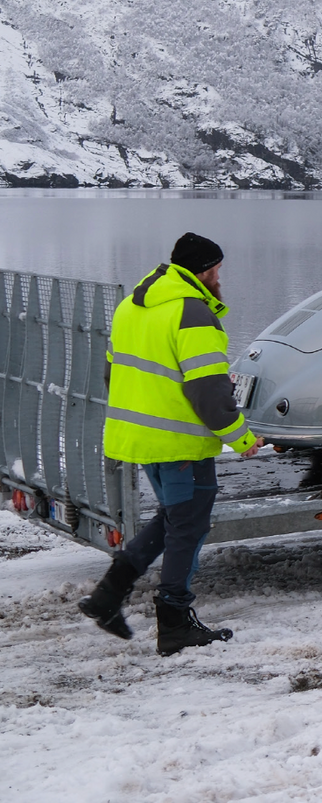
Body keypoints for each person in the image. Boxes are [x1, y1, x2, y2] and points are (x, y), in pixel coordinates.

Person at [77, 233, 261, 656]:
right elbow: (210, 393)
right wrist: (243, 440)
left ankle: (108, 596)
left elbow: (113, 375)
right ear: (206, 271)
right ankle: (174, 622)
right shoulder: (192, 314)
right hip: (181, 445)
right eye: (217, 270)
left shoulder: (131, 307)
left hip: (142, 440)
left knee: (176, 519)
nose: (220, 278)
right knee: (187, 526)